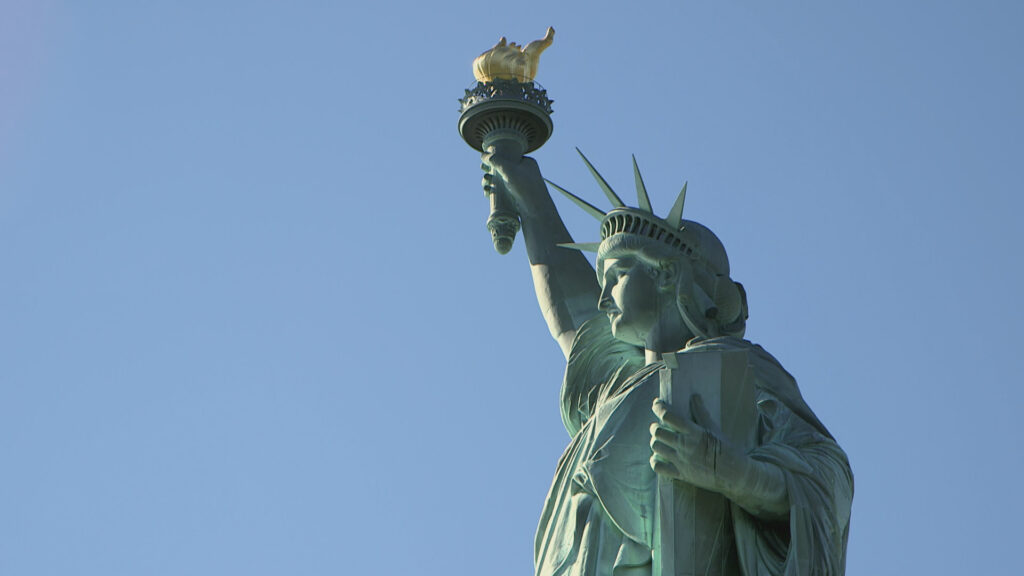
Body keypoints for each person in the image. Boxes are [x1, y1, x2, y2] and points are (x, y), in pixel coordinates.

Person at [481, 144, 853, 576]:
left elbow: (827, 480)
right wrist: (526, 190)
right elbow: (573, 311)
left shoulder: (735, 368)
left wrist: (731, 472)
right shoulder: (621, 385)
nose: (603, 298)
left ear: (667, 274)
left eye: (617, 276)